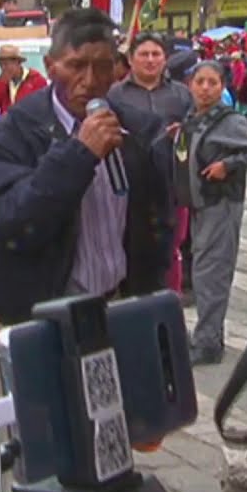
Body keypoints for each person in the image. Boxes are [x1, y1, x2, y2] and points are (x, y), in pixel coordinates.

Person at [0, 8, 174, 329]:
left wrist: (149, 296)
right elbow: (5, 223)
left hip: (120, 308)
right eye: (77, 66)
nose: (90, 81)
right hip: (43, 318)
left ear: (117, 70)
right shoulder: (12, 135)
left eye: (103, 67)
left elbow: (156, 226)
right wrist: (79, 155)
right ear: (51, 67)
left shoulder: (138, 131)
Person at [176, 62, 247, 365]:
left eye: (213, 82)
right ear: (190, 84)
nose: (205, 88)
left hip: (219, 207)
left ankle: (208, 343)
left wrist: (229, 165)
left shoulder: (229, 121)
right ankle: (208, 336)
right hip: (199, 207)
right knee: (204, 273)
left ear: (223, 86)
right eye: (200, 82)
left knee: (212, 276)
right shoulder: (195, 117)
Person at [109, 31, 195, 295]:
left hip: (170, 186)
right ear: (130, 59)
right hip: (128, 188)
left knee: (168, 252)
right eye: (143, 54)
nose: (150, 60)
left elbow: (194, 132)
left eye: (156, 54)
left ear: (165, 58)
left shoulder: (181, 94)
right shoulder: (115, 95)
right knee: (130, 252)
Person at [0, 44, 47, 116]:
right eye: (1, 65)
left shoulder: (36, 80)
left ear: (17, 62)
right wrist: (1, 85)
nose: (3, 68)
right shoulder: (1, 82)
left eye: (6, 64)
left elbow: (42, 109)